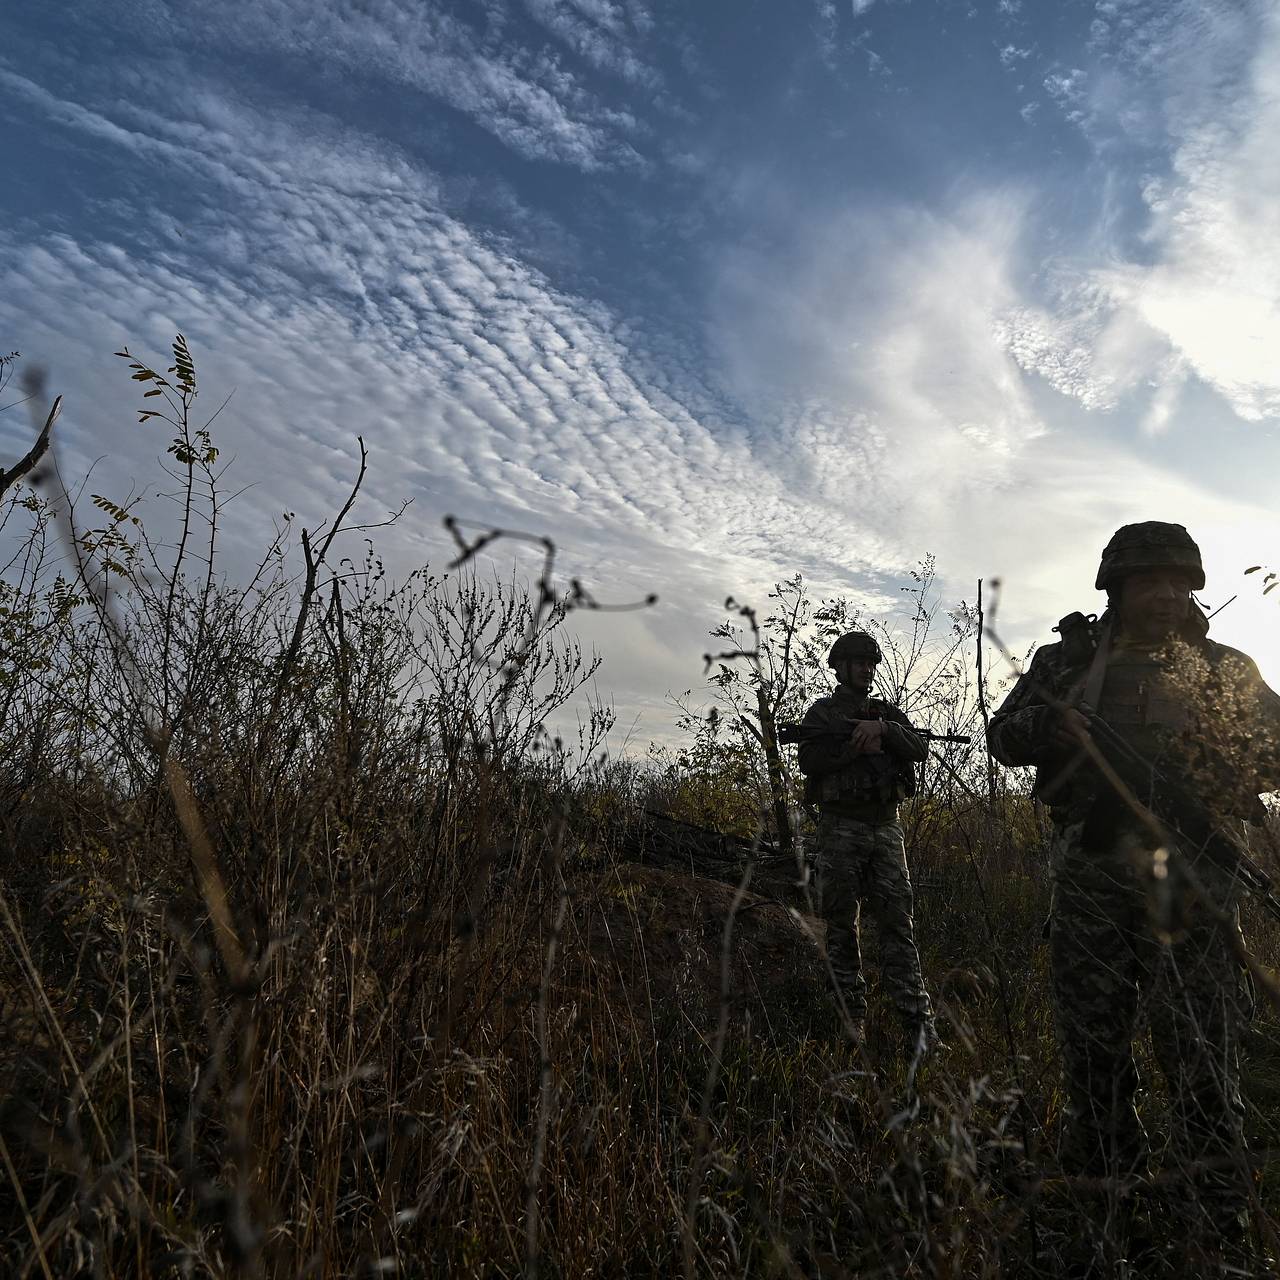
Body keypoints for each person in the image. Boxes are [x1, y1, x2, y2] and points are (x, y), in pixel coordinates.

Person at [987, 521, 1280, 1262]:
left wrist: (1217, 754)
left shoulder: (1222, 667)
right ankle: (1110, 1203)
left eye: (1180, 582)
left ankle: (1218, 1218)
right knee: (1093, 1046)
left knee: (1201, 1051)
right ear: (1115, 586)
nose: (1166, 595)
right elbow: (1003, 735)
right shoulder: (1070, 661)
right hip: (1092, 878)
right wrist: (1056, 725)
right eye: (1150, 580)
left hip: (1198, 881)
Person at [797, 630, 935, 1051]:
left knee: (898, 926)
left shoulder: (886, 712)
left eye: (870, 663)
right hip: (840, 828)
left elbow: (919, 748)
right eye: (858, 662)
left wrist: (885, 730)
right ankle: (850, 1018)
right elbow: (809, 760)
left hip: (886, 827)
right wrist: (853, 750)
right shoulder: (822, 714)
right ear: (840, 667)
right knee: (841, 926)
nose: (866, 669)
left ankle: (919, 1028)